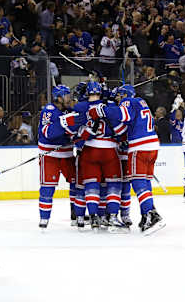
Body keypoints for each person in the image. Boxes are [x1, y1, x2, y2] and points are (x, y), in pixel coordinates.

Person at [88, 84, 166, 235]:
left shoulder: (128, 102)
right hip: (152, 146)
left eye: (119, 96)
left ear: (125, 95)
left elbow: (122, 114)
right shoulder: (141, 103)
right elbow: (125, 127)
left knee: (137, 182)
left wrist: (102, 110)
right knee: (145, 181)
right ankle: (146, 214)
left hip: (140, 147)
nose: (118, 99)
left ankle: (151, 214)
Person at [62, 81, 128, 233]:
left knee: (91, 185)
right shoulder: (109, 107)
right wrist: (122, 140)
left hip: (89, 150)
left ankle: (93, 218)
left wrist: (78, 138)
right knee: (113, 185)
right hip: (109, 150)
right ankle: (111, 217)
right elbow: (120, 131)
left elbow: (70, 128)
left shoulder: (80, 107)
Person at [37, 85, 79, 229]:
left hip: (67, 154)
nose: (69, 98)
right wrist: (65, 126)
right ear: (58, 98)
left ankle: (76, 215)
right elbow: (47, 132)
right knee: (47, 187)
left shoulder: (69, 110)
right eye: (67, 95)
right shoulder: (49, 111)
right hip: (50, 155)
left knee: (76, 183)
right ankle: (44, 219)